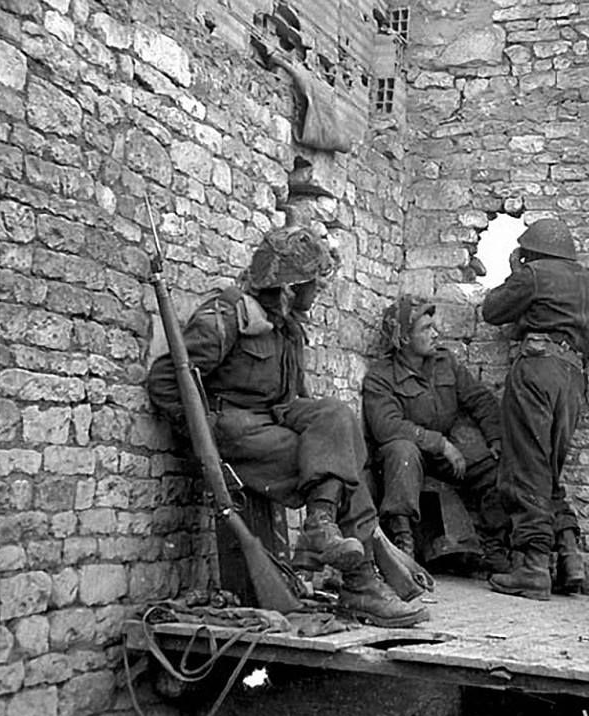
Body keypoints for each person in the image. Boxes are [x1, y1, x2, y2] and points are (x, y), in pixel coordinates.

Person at [147, 226, 427, 627]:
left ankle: (322, 525)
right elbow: (165, 381)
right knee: (327, 459)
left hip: (273, 421)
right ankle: (360, 584)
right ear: (290, 288)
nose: (318, 293)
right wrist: (203, 430)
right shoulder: (225, 317)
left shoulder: (287, 326)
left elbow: (294, 397)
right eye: (313, 284)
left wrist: (327, 429)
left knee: (338, 417)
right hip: (235, 432)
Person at [480, 217, 589, 601]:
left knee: (525, 467)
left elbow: (492, 310)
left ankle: (532, 568)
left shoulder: (534, 274)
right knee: (547, 467)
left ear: (533, 250)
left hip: (537, 368)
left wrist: (516, 272)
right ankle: (569, 553)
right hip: (572, 379)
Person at [362, 295, 510, 574]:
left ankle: (494, 547)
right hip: (407, 456)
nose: (435, 333)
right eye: (426, 329)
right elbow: (386, 427)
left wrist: (495, 438)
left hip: (442, 452)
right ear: (404, 339)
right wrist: (440, 444)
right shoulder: (380, 376)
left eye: (433, 327)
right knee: (401, 451)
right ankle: (402, 544)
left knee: (493, 468)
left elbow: (478, 398)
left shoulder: (445, 362)